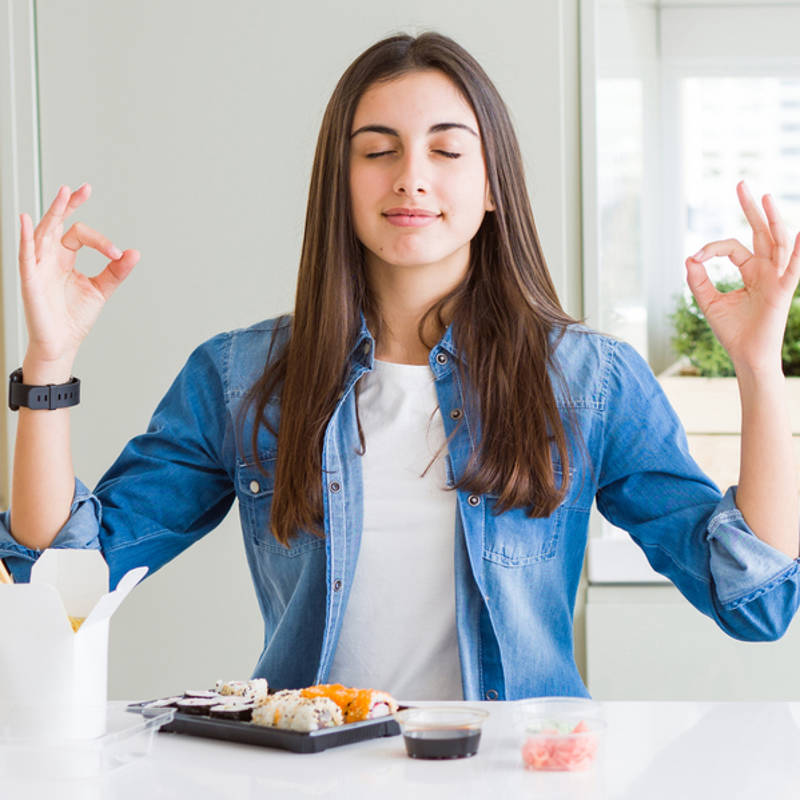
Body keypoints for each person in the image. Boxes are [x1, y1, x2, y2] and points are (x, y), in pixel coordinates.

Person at [2, 31, 800, 701]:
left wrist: (760, 369)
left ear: (493, 186)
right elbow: (58, 583)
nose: (411, 176)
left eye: (447, 149)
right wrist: (49, 361)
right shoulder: (241, 376)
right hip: (309, 775)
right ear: (339, 185)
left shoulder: (590, 380)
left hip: (517, 779)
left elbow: (754, 599)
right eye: (377, 151)